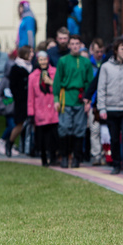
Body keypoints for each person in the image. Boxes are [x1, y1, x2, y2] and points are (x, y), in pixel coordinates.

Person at [97, 36, 123, 175]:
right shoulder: (106, 67)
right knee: (114, 138)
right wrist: (102, 107)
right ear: (116, 50)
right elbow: (101, 88)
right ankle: (116, 164)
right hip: (111, 108)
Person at [52, 35, 91, 168]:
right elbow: (57, 81)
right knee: (64, 128)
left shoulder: (86, 62)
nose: (75, 46)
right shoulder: (63, 61)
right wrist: (56, 99)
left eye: (77, 44)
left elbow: (89, 82)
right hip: (66, 98)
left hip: (80, 98)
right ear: (69, 46)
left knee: (79, 129)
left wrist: (88, 100)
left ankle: (76, 157)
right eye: (72, 44)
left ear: (81, 45)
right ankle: (64, 156)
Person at [27, 51, 58, 166]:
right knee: (43, 137)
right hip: (40, 109)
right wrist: (31, 113)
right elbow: (30, 97)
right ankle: (44, 158)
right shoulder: (32, 76)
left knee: (53, 135)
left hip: (53, 109)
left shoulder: (54, 72)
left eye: (45, 59)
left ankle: (54, 156)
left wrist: (51, 82)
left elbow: (59, 89)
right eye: (41, 60)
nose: (43, 62)